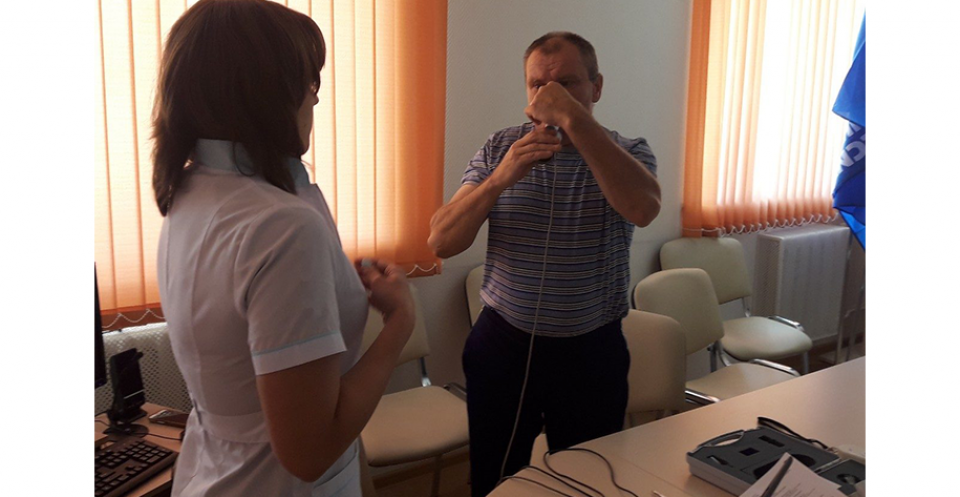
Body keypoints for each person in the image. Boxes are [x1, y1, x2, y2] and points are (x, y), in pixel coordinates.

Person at [153, 1, 414, 495]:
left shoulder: (188, 192)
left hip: (215, 471)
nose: (315, 98)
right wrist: (400, 322)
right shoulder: (282, 226)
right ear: (269, 93)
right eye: (310, 82)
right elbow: (309, 452)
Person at [428, 31, 661, 496]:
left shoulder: (629, 152)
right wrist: (500, 178)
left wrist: (572, 119)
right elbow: (441, 240)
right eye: (537, 85)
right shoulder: (500, 148)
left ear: (596, 87)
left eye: (566, 84)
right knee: (496, 479)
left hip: (591, 351)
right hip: (504, 344)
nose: (549, 95)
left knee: (589, 480)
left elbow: (643, 208)